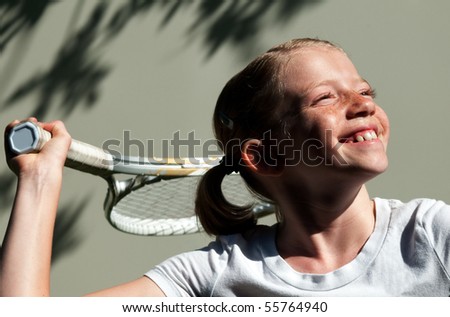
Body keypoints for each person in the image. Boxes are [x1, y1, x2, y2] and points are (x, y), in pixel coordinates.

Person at [1, 38, 449, 296]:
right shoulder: (213, 275)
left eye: (365, 90)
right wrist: (40, 180)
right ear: (265, 157)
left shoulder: (432, 233)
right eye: (325, 97)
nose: (363, 104)